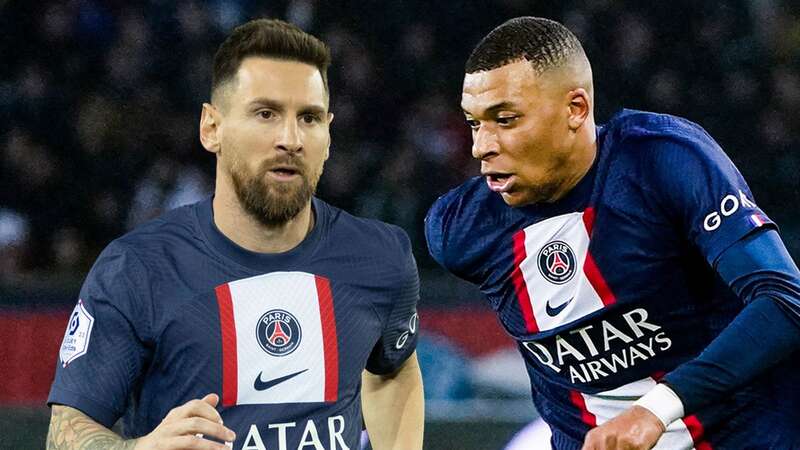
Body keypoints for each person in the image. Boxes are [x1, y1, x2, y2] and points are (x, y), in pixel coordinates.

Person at [425, 16, 800, 450]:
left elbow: (784, 299)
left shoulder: (661, 161)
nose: (481, 146)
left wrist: (655, 409)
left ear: (576, 109)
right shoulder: (461, 232)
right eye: (474, 123)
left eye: (505, 119)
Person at [47, 18, 424, 450]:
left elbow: (394, 368)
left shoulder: (382, 257)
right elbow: (66, 431)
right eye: (266, 114)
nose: (290, 139)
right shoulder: (137, 269)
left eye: (309, 118)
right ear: (212, 128)